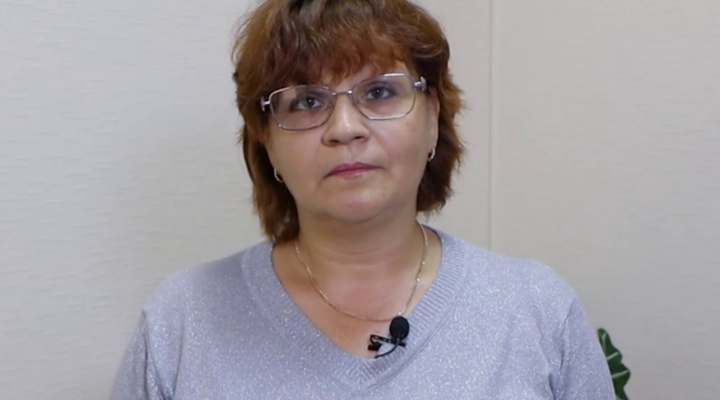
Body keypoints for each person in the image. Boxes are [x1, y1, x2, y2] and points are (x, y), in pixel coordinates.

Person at [110, 0, 615, 398]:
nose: (345, 128)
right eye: (307, 101)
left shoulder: (536, 310)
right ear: (267, 143)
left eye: (378, 92)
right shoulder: (181, 322)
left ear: (433, 117)